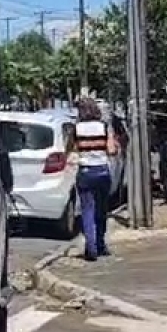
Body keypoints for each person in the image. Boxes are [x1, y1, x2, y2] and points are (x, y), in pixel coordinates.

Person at [73, 96, 118, 261]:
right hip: (102, 172)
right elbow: (112, 150)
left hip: (85, 172)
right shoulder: (103, 127)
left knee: (87, 210)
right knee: (101, 210)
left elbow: (69, 149)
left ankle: (90, 247)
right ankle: (100, 244)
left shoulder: (76, 129)